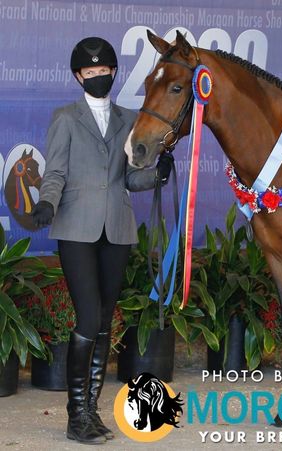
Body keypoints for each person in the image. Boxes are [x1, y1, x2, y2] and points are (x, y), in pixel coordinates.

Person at [31, 37, 173, 444]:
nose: (97, 77)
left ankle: (91, 410)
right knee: (89, 318)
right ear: (78, 76)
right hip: (75, 228)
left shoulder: (130, 118)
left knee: (106, 321)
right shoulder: (65, 118)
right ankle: (76, 415)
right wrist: (46, 203)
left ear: (114, 72)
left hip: (118, 228)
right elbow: (55, 172)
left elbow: (130, 177)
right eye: (89, 73)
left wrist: (157, 173)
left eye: (103, 71)